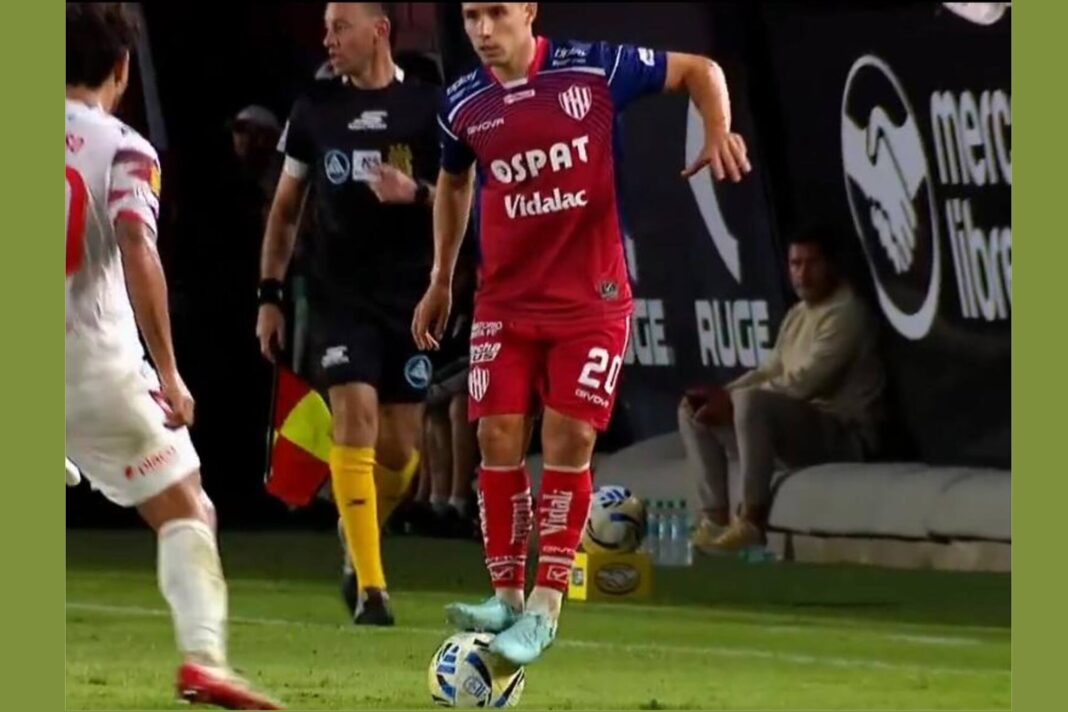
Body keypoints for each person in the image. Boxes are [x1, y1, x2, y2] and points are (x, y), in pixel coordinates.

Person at [411, 2, 751, 665]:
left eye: (497, 13)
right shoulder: (462, 102)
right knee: (496, 434)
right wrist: (442, 277)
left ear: (529, 12)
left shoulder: (593, 70)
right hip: (504, 301)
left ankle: (545, 607)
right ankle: (506, 596)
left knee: (568, 437)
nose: (483, 30)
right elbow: (453, 184)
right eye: (471, 16)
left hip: (590, 302)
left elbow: (700, 69)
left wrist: (717, 130)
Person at [65, 5, 282, 709]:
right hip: (87, 362)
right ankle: (203, 661)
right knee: (187, 507)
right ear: (122, 70)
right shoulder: (124, 148)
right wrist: (168, 371)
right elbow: (136, 246)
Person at [256, 2, 441, 626]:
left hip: (410, 298)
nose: (327, 39)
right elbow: (284, 211)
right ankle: (372, 587)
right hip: (337, 294)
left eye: (341, 27)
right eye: (326, 28)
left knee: (400, 450)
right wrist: (270, 296)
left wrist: (416, 193)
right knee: (353, 413)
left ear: (379, 31)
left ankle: (354, 530)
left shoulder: (428, 106)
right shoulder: (314, 110)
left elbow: (464, 199)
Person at [679, 227, 886, 553]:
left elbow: (804, 383)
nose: (802, 273)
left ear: (830, 265)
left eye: (811, 263)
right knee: (692, 409)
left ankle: (751, 522)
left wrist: (732, 401)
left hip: (844, 436)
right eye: (795, 264)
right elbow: (770, 369)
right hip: (796, 433)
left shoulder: (847, 312)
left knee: (749, 402)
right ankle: (714, 519)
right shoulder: (797, 314)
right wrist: (721, 394)